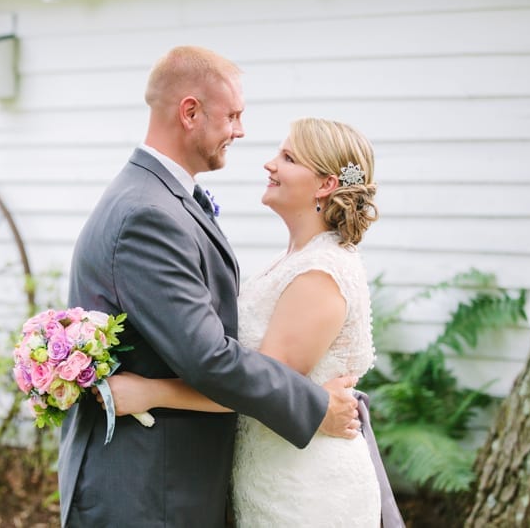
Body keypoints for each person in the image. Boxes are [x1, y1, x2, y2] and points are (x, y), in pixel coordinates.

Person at [58, 46, 360, 528]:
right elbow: (208, 357)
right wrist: (314, 405)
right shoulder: (149, 213)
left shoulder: (159, 198)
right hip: (150, 490)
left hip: (180, 481)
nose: (240, 131)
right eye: (233, 116)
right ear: (190, 112)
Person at [106, 117, 383, 526]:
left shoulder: (320, 275)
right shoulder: (293, 262)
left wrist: (150, 393)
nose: (270, 165)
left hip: (305, 489)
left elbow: (263, 387)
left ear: (325, 185)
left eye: (288, 157)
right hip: (271, 473)